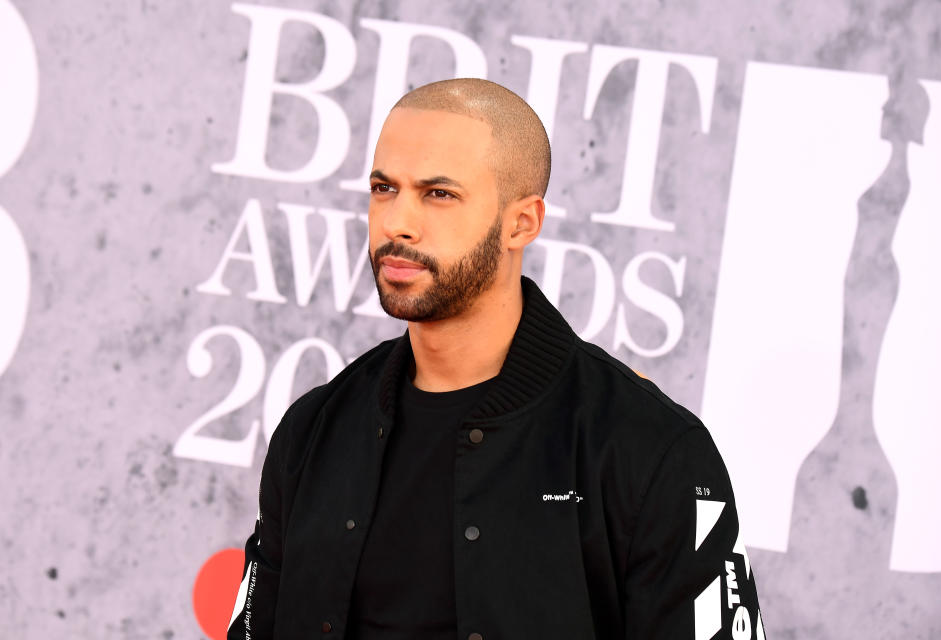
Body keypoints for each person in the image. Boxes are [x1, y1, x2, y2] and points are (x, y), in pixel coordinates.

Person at [226, 78, 762, 640]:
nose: (396, 222)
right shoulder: (314, 430)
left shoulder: (650, 450)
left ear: (522, 222)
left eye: (439, 194)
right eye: (384, 188)